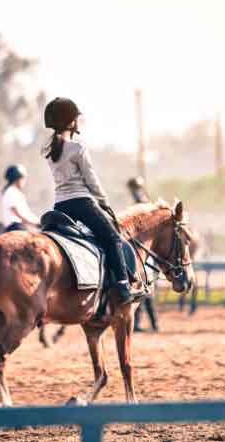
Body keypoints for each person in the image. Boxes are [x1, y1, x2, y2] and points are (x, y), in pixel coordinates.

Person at [44, 97, 145, 305]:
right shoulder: (77, 147)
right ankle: (124, 288)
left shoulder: (48, 150)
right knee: (114, 238)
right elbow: (91, 180)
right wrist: (104, 201)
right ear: (71, 122)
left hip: (60, 205)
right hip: (81, 202)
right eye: (75, 118)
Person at [127, 177, 158, 332]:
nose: (134, 191)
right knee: (143, 286)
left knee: (144, 286)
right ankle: (150, 323)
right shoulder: (144, 202)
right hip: (141, 249)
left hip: (143, 250)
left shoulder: (142, 203)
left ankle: (149, 323)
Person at [2, 164, 39, 232]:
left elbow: (27, 213)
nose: (24, 181)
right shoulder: (11, 191)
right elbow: (17, 213)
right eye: (23, 179)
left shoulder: (17, 193)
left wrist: (38, 221)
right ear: (18, 179)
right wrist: (35, 223)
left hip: (18, 226)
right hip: (15, 227)